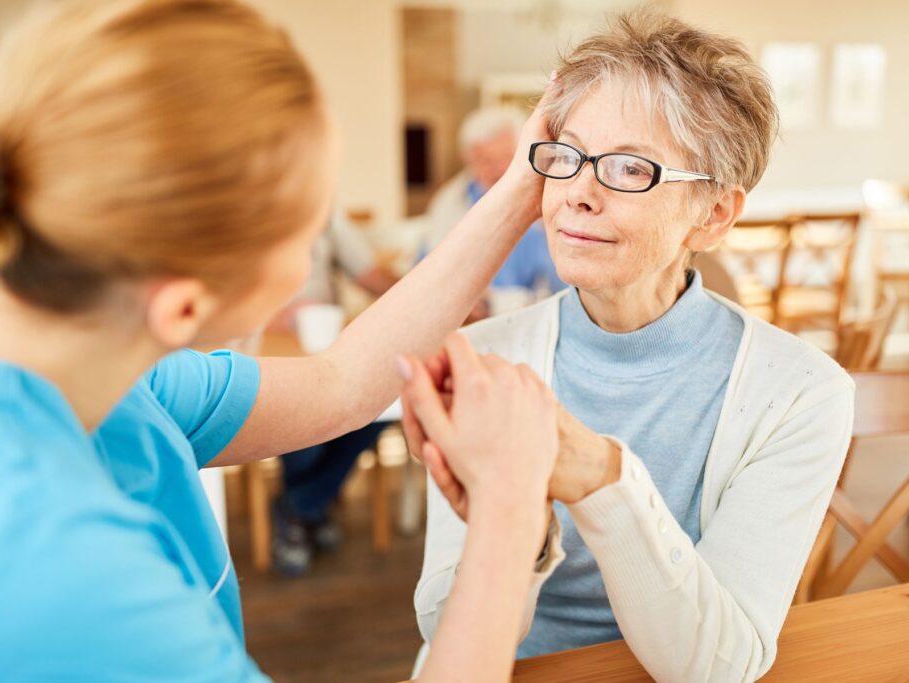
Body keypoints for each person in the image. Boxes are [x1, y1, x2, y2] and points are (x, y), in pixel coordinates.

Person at [0, 1, 561, 681]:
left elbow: (341, 383)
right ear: (184, 305)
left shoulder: (72, 365)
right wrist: (508, 508)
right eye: (305, 234)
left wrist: (522, 186)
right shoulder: (65, 582)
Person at [407, 10, 854, 683]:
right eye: (569, 157)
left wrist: (602, 477)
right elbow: (446, 630)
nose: (579, 194)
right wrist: (519, 521)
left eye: (628, 168)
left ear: (714, 213)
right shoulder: (483, 358)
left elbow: (716, 664)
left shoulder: (800, 393)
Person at [270, 211, 398, 577]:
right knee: (300, 426)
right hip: (263, 350)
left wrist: (437, 292)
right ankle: (309, 508)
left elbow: (371, 276)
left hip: (323, 349)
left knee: (379, 404)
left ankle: (300, 507)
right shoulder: (234, 210)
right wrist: (269, 317)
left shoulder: (324, 217)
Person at [418, 107, 567, 317]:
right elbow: (425, 276)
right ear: (467, 160)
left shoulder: (550, 197)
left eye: (506, 157)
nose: (497, 170)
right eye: (485, 161)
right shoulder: (450, 202)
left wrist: (498, 303)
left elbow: (565, 291)